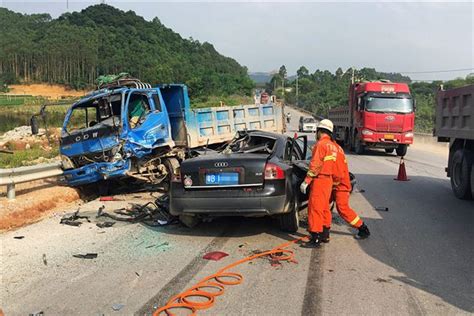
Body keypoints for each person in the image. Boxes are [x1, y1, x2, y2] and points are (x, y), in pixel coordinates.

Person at [300, 119, 338, 248]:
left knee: (315, 208)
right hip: (328, 180)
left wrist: (306, 181)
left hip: (320, 180)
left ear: (319, 131)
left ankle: (315, 238)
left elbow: (315, 165)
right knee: (325, 208)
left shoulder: (321, 144)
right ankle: (325, 234)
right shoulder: (333, 146)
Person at [323, 142, 370, 242]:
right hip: (335, 183)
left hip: (340, 185)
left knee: (342, 209)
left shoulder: (331, 149)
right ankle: (325, 231)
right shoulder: (334, 147)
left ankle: (362, 228)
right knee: (324, 205)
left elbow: (337, 172)